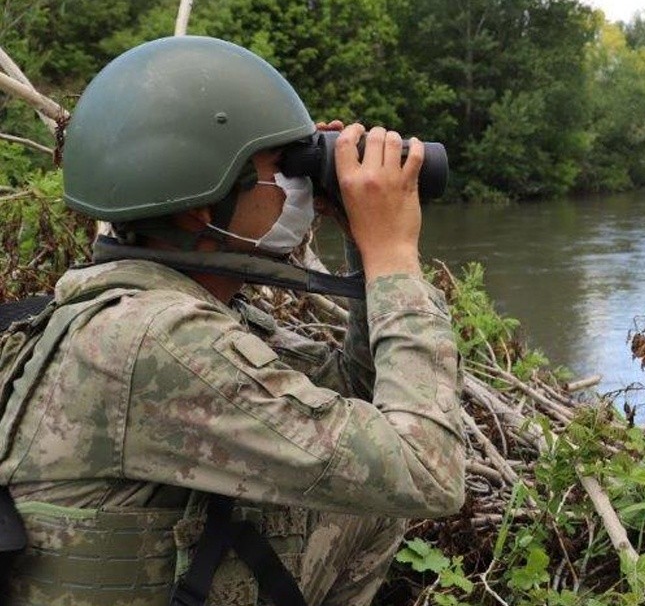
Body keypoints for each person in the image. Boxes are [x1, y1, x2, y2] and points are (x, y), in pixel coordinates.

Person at [0, 35, 466, 605]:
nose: (299, 187)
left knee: (363, 507)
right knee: (374, 498)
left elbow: (358, 401)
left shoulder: (149, 303)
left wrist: (359, 240)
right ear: (203, 201)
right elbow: (426, 471)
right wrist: (394, 257)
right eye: (283, 169)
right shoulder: (156, 340)